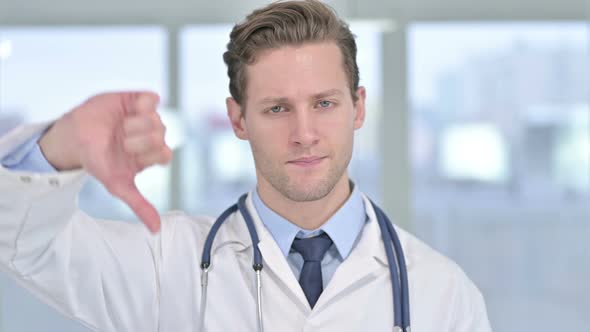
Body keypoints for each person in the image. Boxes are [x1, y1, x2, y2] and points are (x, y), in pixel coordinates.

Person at [0, 1, 492, 331]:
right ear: (238, 118)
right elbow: (27, 247)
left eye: (324, 103)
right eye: (277, 108)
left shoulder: (441, 293)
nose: (304, 132)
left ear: (358, 107)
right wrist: (60, 145)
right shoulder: (166, 265)